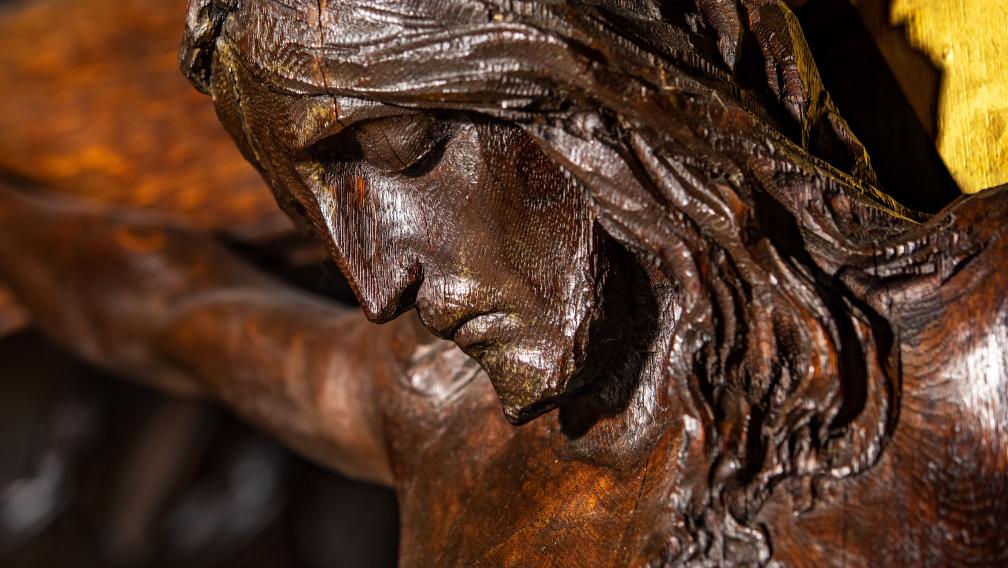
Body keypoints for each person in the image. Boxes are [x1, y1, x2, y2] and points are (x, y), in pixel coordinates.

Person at [2, 0, 1006, 564]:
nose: (375, 281)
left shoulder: (969, 351)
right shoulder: (447, 420)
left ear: (586, 88)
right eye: (319, 209)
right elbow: (165, 306)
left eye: (403, 152)